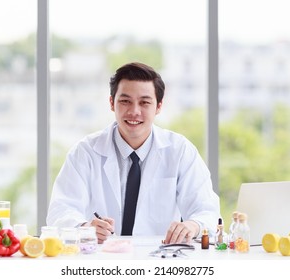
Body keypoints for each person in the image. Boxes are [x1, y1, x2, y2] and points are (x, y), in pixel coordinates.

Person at [46, 62, 220, 244]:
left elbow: (207, 210)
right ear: (112, 103)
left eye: (144, 102)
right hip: (101, 260)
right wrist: (84, 228)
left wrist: (193, 225)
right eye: (125, 101)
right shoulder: (85, 152)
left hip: (159, 260)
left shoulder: (180, 151)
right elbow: (60, 209)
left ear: (159, 106)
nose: (134, 111)